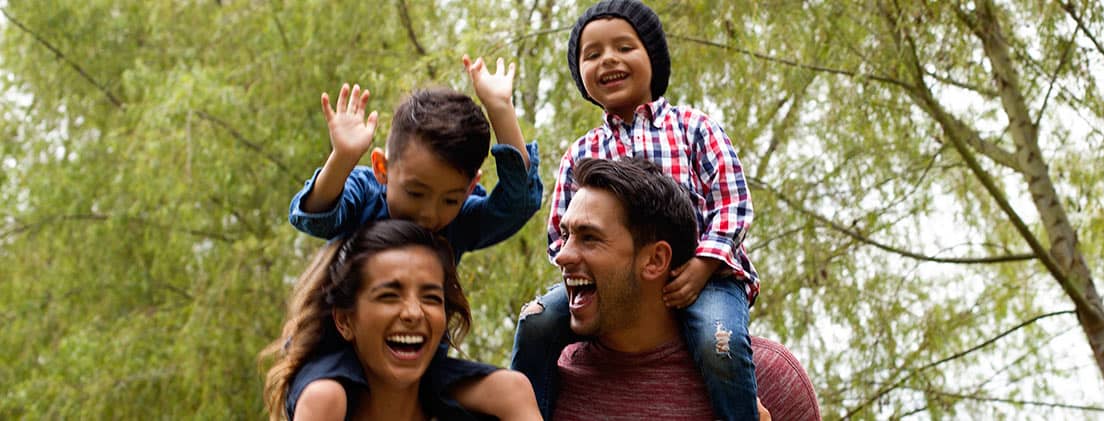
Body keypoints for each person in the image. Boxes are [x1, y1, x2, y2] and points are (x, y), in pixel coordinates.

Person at [512, 1, 762, 419]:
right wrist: (586, 269)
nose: (607, 59)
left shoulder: (694, 128)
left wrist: (702, 263)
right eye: (591, 55)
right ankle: (525, 411)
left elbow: (732, 204)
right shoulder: (583, 152)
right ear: (581, 77)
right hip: (613, 279)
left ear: (653, 58)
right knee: (535, 322)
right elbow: (559, 234)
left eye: (624, 47)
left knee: (721, 345)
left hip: (706, 275)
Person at [283, 55, 543, 419]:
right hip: (336, 352)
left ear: (471, 188)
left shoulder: (458, 223)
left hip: (418, 357)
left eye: (449, 199)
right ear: (382, 168)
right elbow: (315, 218)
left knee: (512, 389)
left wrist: (500, 109)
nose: (428, 213)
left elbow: (517, 203)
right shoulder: (366, 191)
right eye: (415, 192)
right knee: (325, 397)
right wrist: (342, 158)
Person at [548, 157, 819, 420]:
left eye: (589, 238)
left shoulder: (770, 381)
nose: (562, 255)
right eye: (564, 235)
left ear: (655, 260)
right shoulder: (545, 385)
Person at [260, 220, 539, 420]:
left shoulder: (501, 398)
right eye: (389, 296)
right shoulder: (323, 399)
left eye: (431, 298)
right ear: (345, 321)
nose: (413, 313)